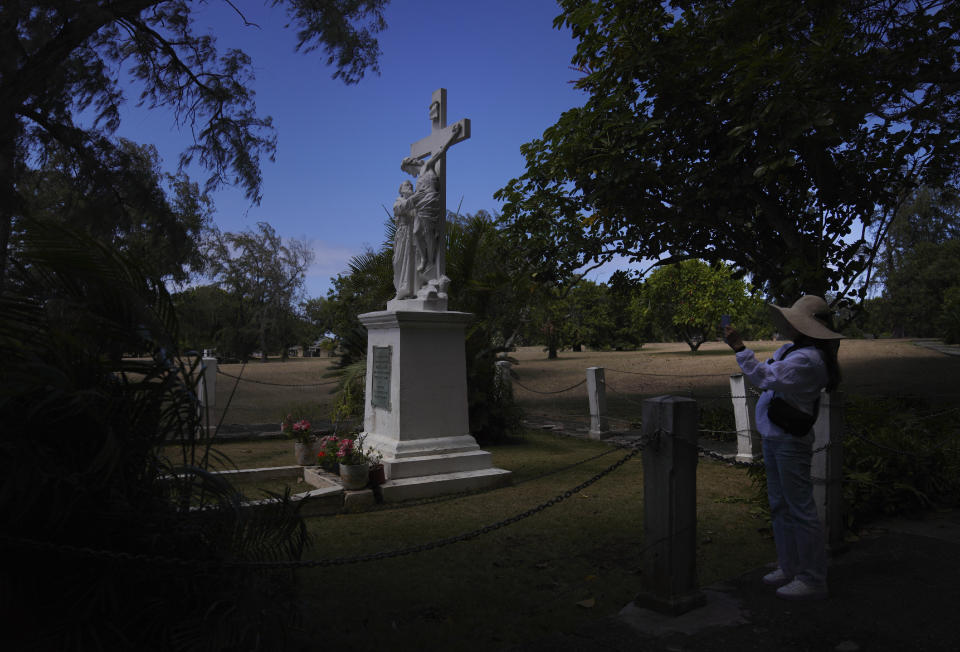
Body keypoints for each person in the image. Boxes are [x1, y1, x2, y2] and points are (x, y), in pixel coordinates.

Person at [723, 295, 842, 601]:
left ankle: (813, 578)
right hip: (777, 437)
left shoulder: (809, 359)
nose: (788, 324)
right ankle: (790, 566)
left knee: (800, 509)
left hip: (789, 440)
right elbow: (766, 372)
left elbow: (764, 377)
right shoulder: (793, 349)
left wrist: (739, 348)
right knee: (780, 505)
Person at [392, 180, 416, 299]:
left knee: (410, 260)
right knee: (398, 261)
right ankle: (400, 287)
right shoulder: (399, 201)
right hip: (402, 233)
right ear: (401, 190)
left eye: (411, 185)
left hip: (412, 233)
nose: (410, 186)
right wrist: (413, 198)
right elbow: (400, 209)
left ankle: (407, 288)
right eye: (407, 185)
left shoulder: (415, 202)